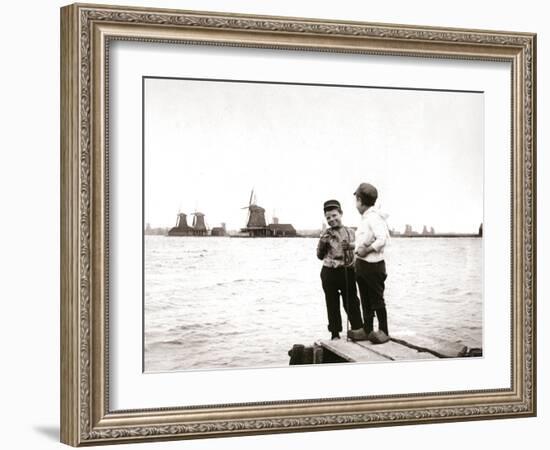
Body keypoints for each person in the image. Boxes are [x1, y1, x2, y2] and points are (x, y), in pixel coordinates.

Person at [317, 200, 366, 340]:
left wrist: (350, 246)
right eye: (328, 218)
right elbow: (319, 256)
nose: (332, 219)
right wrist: (322, 242)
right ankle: (335, 333)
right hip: (329, 272)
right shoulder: (325, 234)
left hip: (347, 271)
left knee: (352, 302)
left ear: (341, 214)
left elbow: (359, 250)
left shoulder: (351, 232)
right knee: (332, 303)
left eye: (334, 215)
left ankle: (358, 329)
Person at [353, 183, 391, 339]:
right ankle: (367, 329)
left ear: (360, 200)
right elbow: (363, 241)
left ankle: (384, 331)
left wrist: (366, 250)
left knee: (376, 299)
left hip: (374, 267)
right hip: (362, 266)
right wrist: (352, 247)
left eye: (356, 200)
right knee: (365, 299)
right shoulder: (366, 218)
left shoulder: (374, 217)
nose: (356, 204)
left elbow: (382, 239)